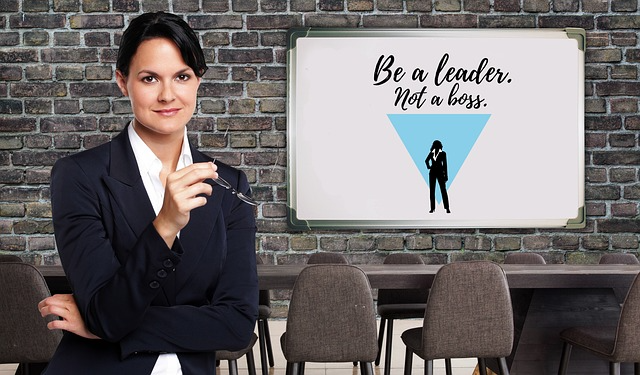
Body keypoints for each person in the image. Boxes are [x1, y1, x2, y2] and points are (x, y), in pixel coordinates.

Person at [37, 11, 258, 375]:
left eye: (182, 76)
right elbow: (108, 314)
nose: (167, 94)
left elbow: (235, 326)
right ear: (123, 82)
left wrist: (102, 326)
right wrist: (166, 224)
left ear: (198, 81)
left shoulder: (229, 186)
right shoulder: (79, 176)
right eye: (150, 78)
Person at [425, 140, 450, 213]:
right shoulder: (431, 153)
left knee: (443, 190)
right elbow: (426, 160)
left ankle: (447, 208)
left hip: (440, 173)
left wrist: (446, 175)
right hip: (432, 173)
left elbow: (445, 165)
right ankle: (432, 208)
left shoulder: (443, 153)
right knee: (432, 191)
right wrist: (429, 166)